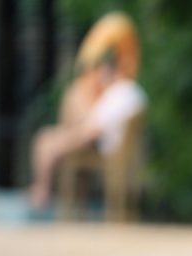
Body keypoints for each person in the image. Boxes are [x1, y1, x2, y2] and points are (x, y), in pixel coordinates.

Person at [28, 12, 146, 210]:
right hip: (108, 143)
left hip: (103, 145)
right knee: (51, 133)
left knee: (47, 140)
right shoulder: (130, 92)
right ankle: (43, 190)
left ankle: (42, 191)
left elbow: (94, 128)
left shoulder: (120, 93)